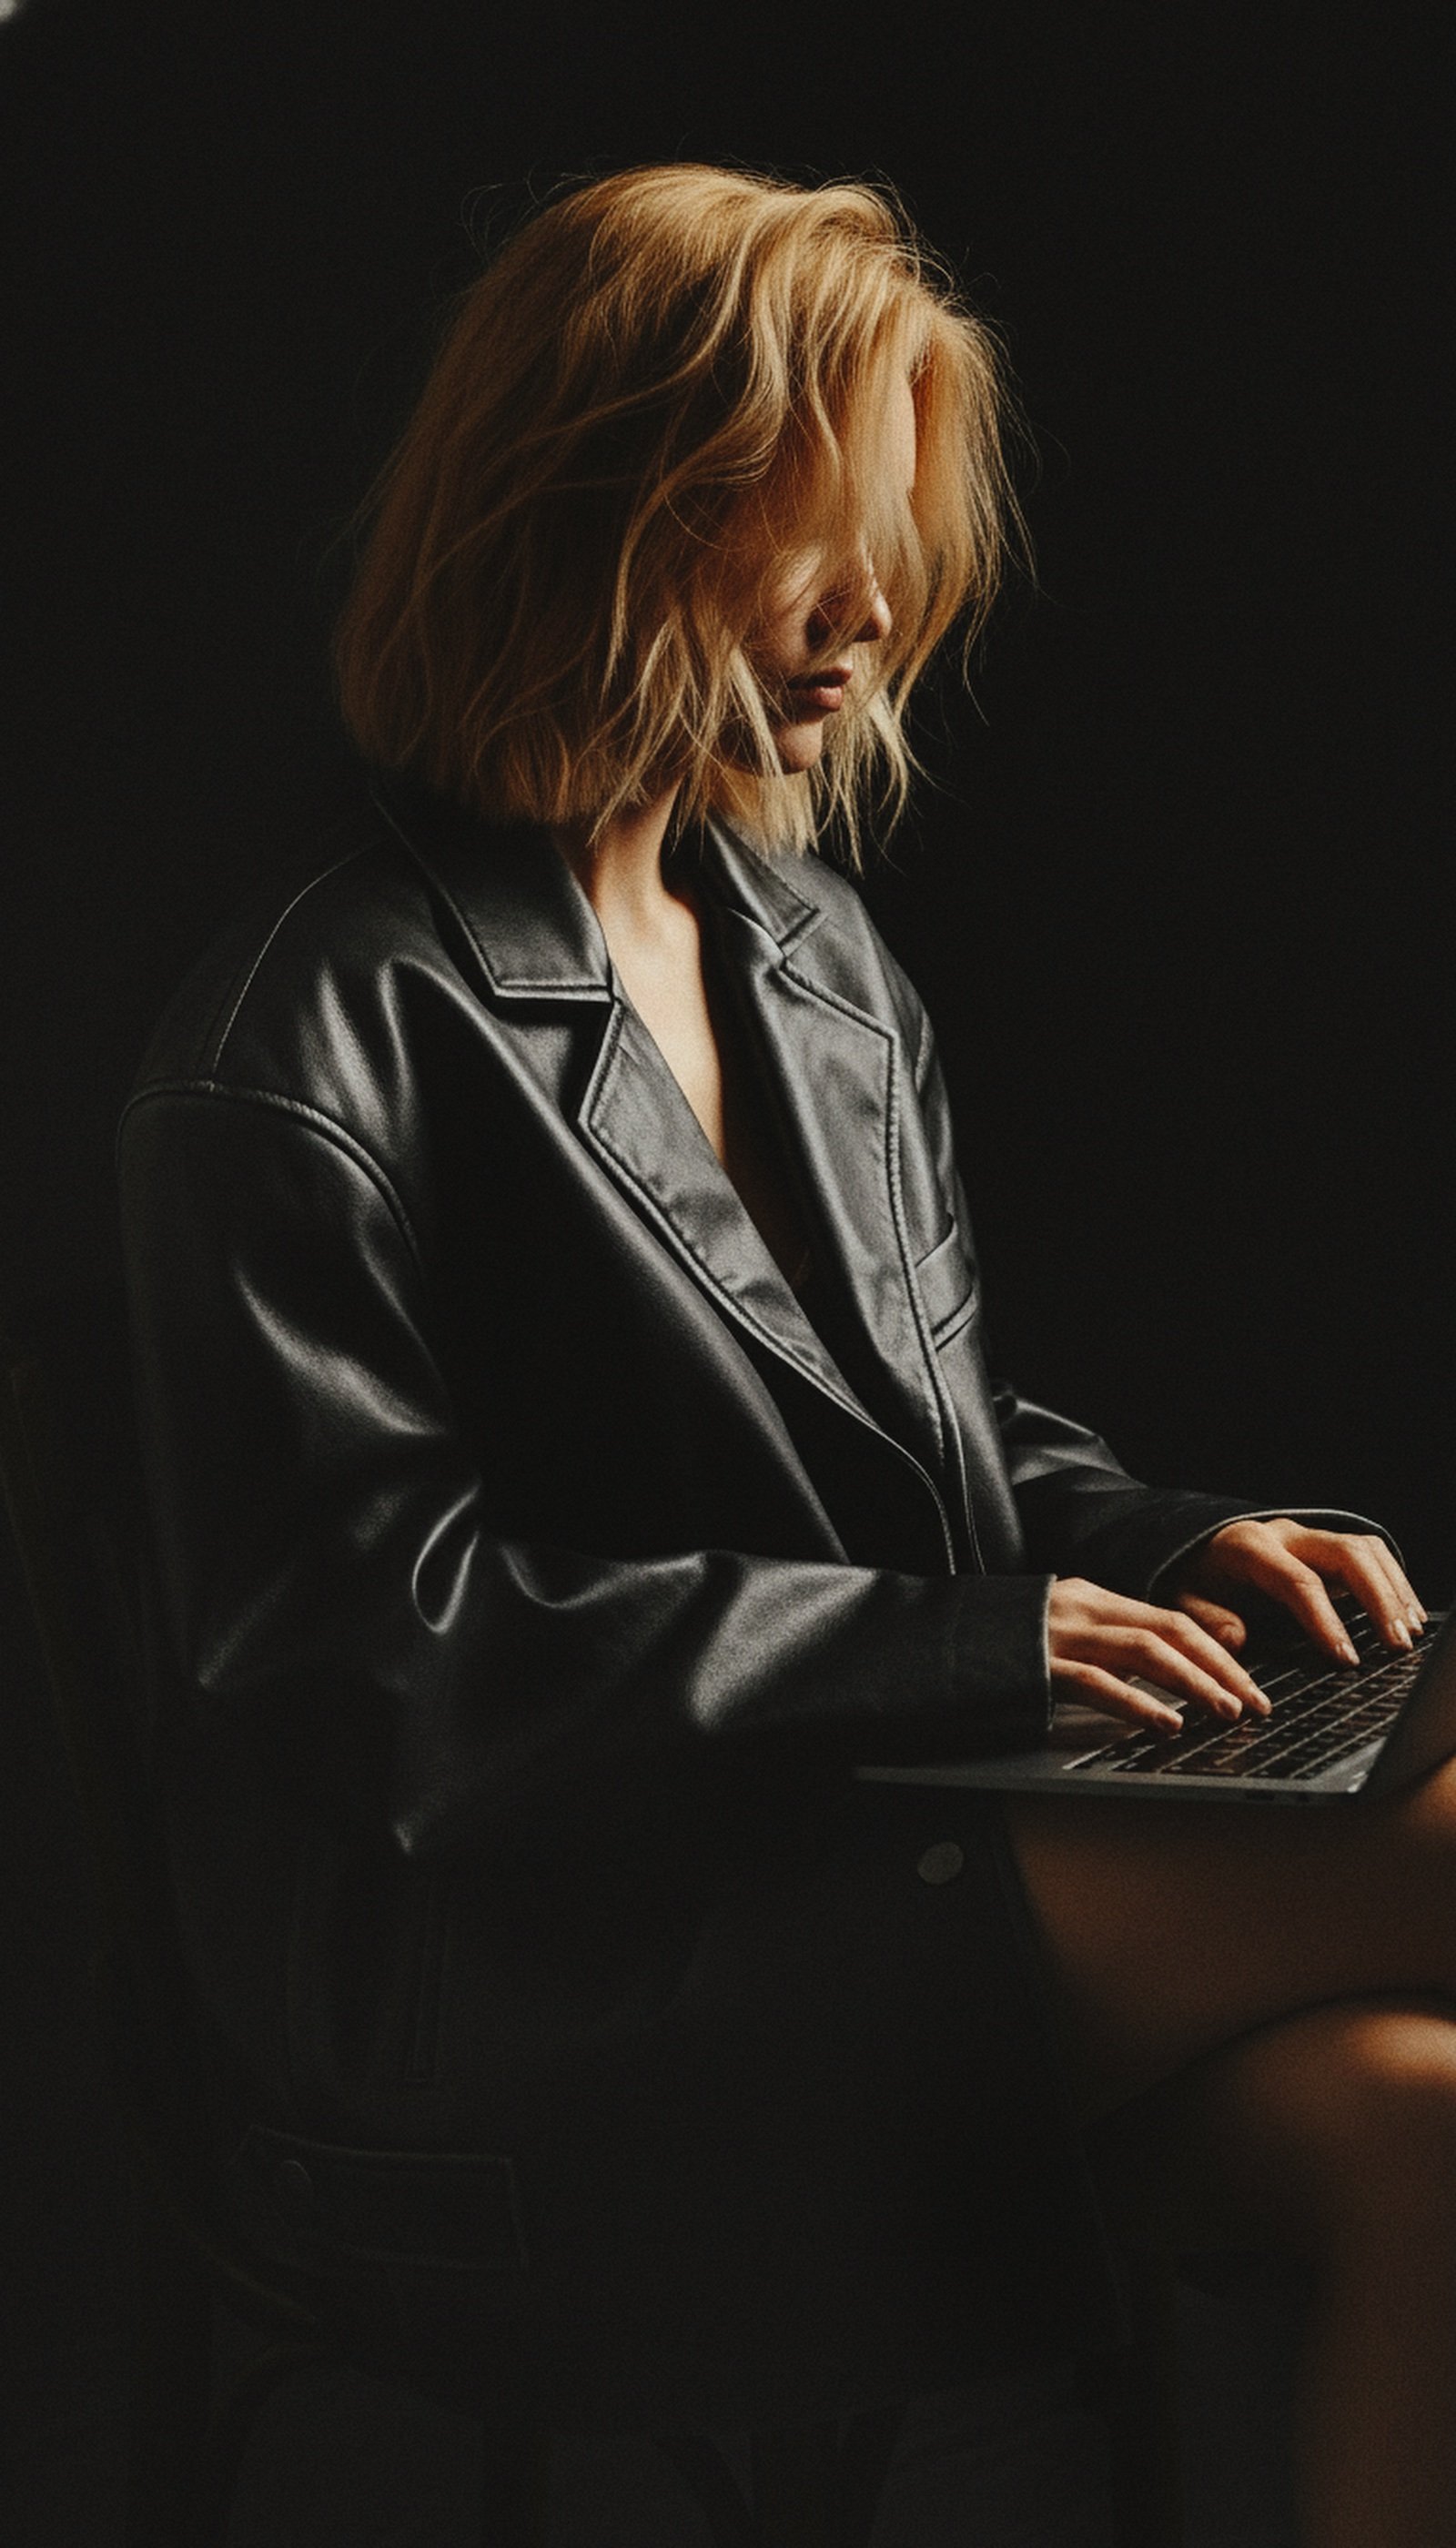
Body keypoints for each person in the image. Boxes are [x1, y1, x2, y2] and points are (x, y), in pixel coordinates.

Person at [118, 164, 1454, 2545]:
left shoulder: (806, 947)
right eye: (809, 530)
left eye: (895, 532)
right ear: (596, 501)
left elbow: (919, 1436)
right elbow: (365, 1663)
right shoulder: (299, 1043)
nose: (876, 606)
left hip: (835, 1869)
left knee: (1421, 2129)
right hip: (528, 2016)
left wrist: (1164, 1544)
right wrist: (955, 1648)